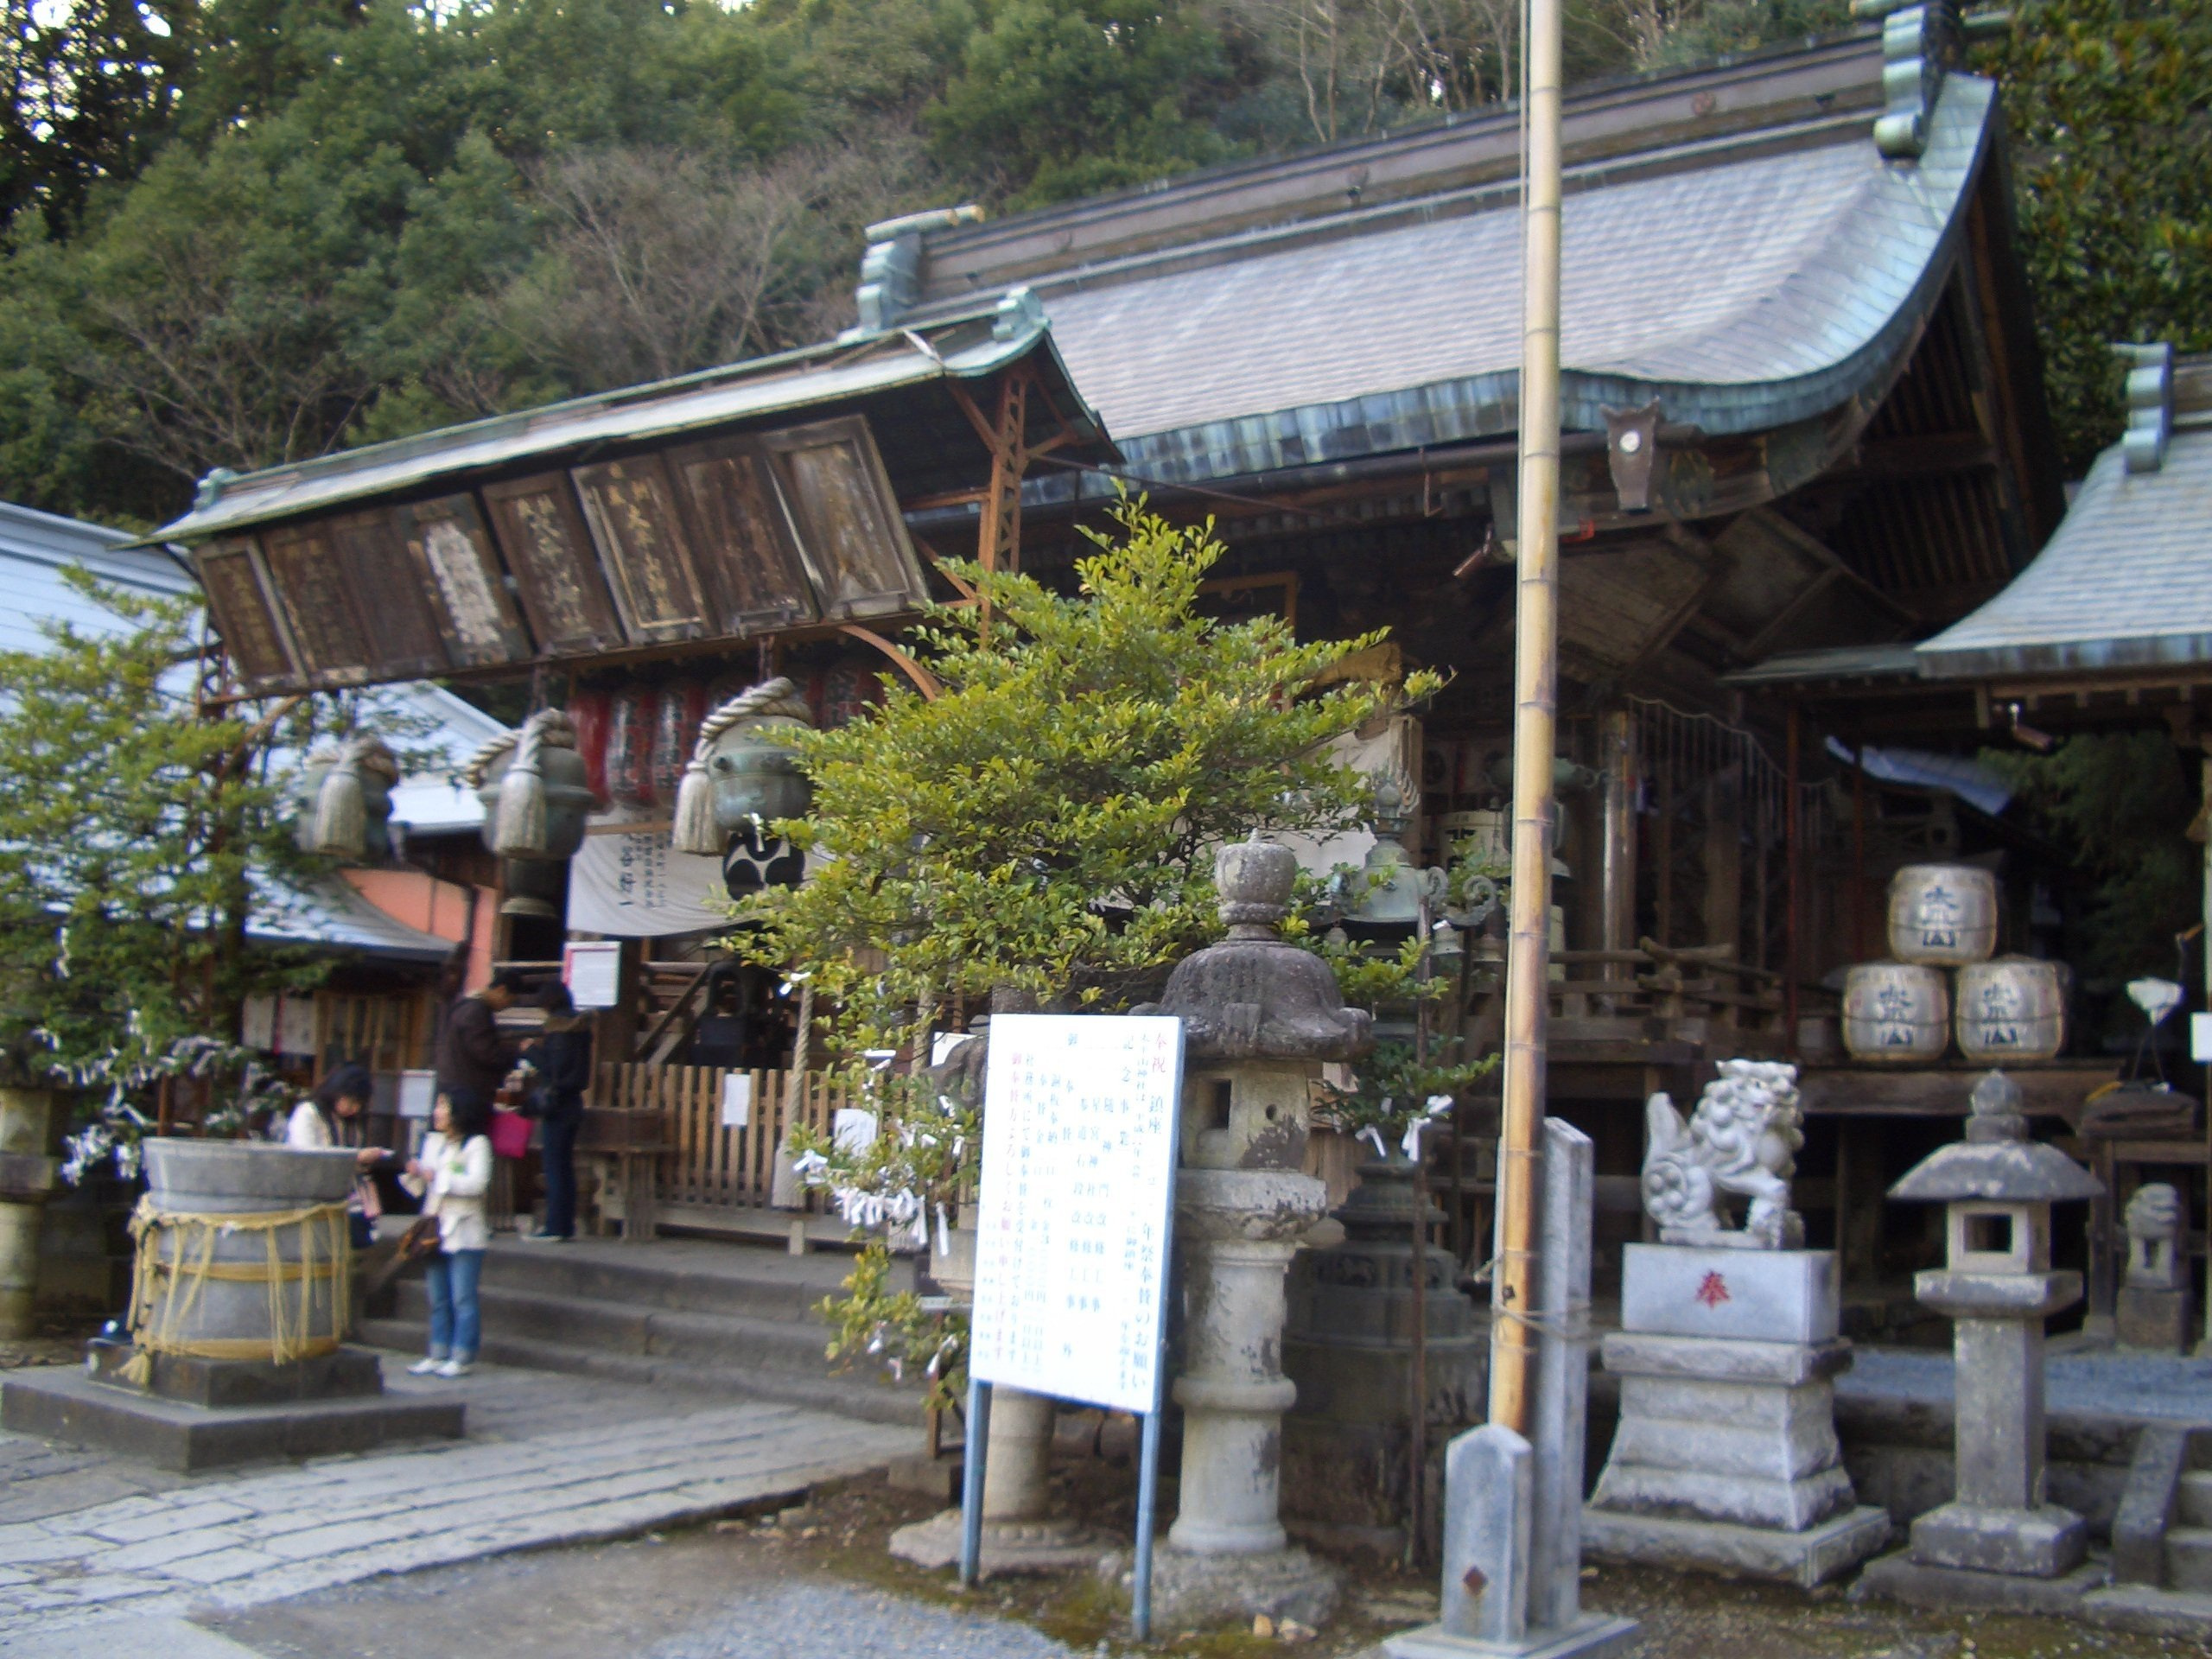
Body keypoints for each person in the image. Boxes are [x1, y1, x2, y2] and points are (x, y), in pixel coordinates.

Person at [399, 1088, 493, 1378]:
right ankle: (437, 1352)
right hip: (435, 1228)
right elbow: (424, 1189)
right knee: (438, 1297)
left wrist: (439, 1176)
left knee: (463, 1297)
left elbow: (477, 1184)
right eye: (438, 1106)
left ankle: (462, 1355)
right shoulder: (434, 1142)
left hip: (465, 1230)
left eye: (444, 1107)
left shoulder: (477, 1144)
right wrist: (416, 1174)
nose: (437, 1113)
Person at [285, 1060, 389, 1248]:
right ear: (337, 1091)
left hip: (347, 1200)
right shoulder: (308, 1113)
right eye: (351, 1101)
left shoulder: (350, 1123)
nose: (354, 1109)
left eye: (359, 1104)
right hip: (312, 1199)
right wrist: (355, 1158)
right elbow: (306, 1157)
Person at [518, 982, 593, 1243]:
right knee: (564, 1167)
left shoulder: (560, 1030)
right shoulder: (581, 1029)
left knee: (554, 1167)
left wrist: (531, 1051)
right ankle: (565, 1224)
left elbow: (553, 1070)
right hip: (573, 1102)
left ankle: (555, 1226)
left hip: (558, 1105)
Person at [435, 968, 527, 1105]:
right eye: (510, 1001)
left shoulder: (465, 1007)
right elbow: (486, 1053)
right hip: (467, 1091)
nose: (507, 1006)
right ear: (501, 990)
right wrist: (517, 1053)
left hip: (455, 1085)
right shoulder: (477, 1011)